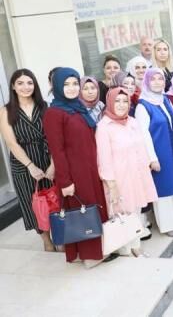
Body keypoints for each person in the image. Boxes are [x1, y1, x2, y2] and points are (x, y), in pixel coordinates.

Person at [43, 67, 109, 267]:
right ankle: (89, 256)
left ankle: (96, 250)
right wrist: (65, 182)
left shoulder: (77, 107)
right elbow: (57, 151)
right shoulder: (54, 113)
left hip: (89, 169)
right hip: (74, 174)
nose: (72, 88)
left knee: (92, 209)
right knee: (83, 212)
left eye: (74, 83)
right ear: (57, 86)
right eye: (66, 84)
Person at [96, 87, 158, 257]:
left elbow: (142, 147)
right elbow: (104, 159)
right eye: (117, 101)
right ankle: (126, 249)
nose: (121, 104)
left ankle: (136, 246)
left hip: (137, 175)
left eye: (125, 101)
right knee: (123, 214)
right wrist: (112, 185)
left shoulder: (132, 122)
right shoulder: (104, 126)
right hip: (119, 179)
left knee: (136, 210)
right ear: (110, 102)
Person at [0, 69, 55, 251]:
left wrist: (53, 164)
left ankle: (60, 235)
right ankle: (46, 241)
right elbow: (11, 143)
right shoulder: (6, 111)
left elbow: (53, 138)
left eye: (29, 83)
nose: (26, 87)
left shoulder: (45, 106)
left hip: (46, 158)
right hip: (23, 164)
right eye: (20, 83)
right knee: (33, 203)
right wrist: (30, 166)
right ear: (13, 87)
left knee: (53, 200)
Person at [135, 68, 173, 237]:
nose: (157, 82)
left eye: (160, 79)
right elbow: (143, 135)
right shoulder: (143, 106)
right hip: (159, 154)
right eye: (153, 79)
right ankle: (167, 225)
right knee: (164, 189)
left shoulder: (165, 100)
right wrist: (152, 158)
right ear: (147, 82)